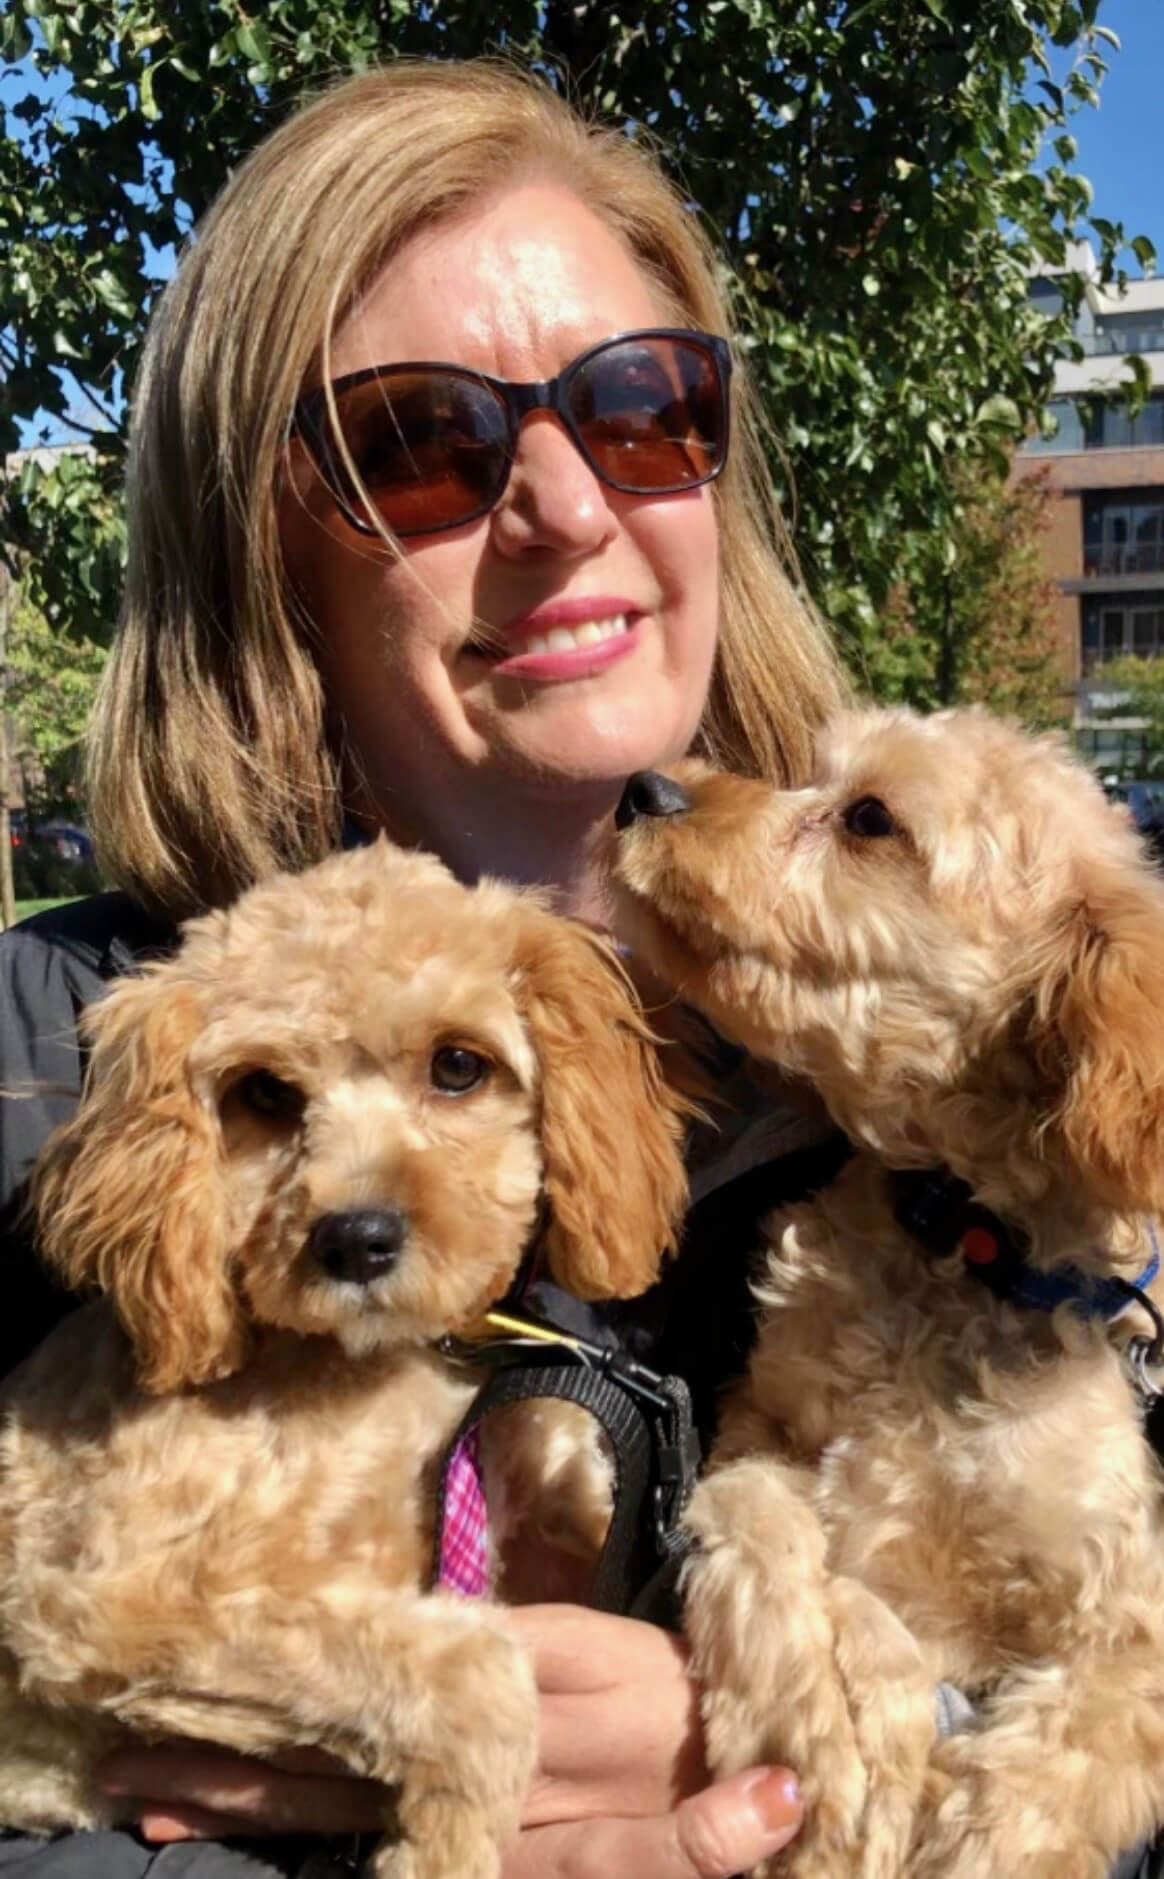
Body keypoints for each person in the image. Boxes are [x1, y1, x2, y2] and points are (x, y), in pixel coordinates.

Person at [10, 54, 1150, 1879]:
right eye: (420, 443)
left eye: (640, 408)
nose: (559, 504)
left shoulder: (987, 1076)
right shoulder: (56, 1060)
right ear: (261, 541)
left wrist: (865, 1739)